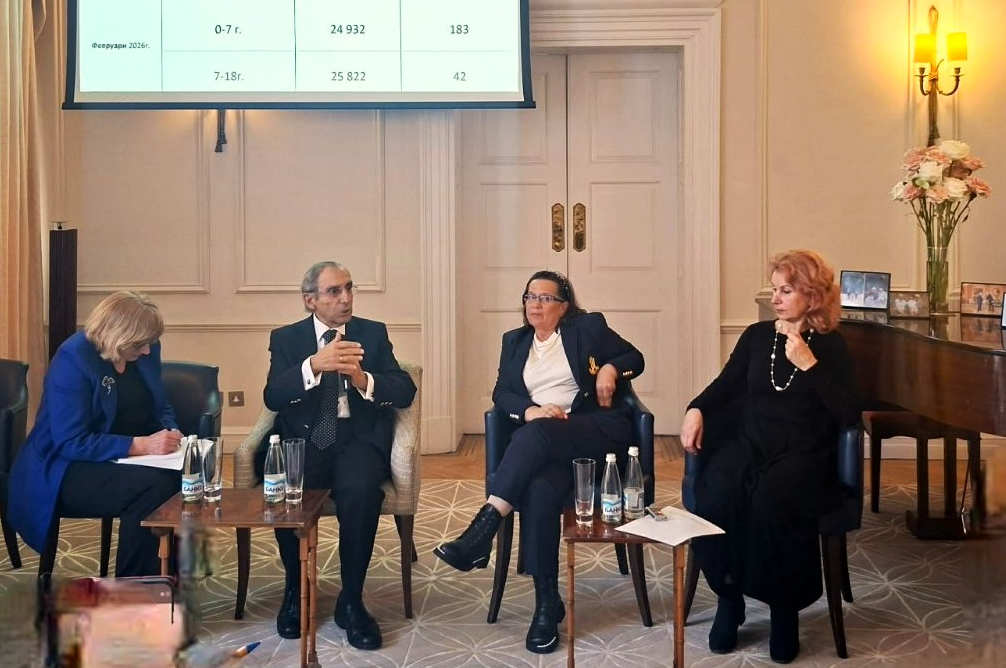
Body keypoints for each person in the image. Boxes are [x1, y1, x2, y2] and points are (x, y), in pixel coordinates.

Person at [434, 270, 644, 654]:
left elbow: (636, 358)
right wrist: (531, 411)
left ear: (564, 306)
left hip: (594, 432)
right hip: (546, 446)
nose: (536, 304)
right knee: (539, 488)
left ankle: (484, 528)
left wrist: (611, 369)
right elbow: (502, 393)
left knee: (536, 434)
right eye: (530, 297)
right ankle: (547, 602)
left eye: (546, 298)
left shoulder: (587, 328)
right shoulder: (514, 341)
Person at [679, 250, 860, 664]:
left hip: (804, 452)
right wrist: (696, 408)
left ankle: (783, 610)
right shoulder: (757, 336)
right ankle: (729, 598)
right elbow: (725, 386)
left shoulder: (832, 346)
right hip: (752, 442)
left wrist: (810, 365)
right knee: (716, 493)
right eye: (775, 289)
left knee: (772, 500)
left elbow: (849, 413)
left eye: (786, 290)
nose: (775, 298)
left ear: (812, 295)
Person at [263, 261, 416, 649]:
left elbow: (404, 391)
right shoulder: (287, 339)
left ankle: (352, 599)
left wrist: (363, 379)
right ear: (310, 300)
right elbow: (273, 396)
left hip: (357, 438)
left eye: (349, 288)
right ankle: (296, 589)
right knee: (288, 493)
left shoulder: (372, 333)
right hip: (306, 438)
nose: (345, 298)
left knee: (361, 492)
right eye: (334, 291)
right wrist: (313, 366)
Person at [8, 291, 183, 577]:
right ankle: (136, 588)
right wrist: (140, 445)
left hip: (121, 458)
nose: (147, 351)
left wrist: (171, 431)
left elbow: (160, 404)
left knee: (184, 476)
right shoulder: (73, 359)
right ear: (118, 336)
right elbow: (70, 441)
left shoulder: (146, 347)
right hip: (64, 467)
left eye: (149, 343)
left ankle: (167, 574)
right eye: (139, 344)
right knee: (152, 488)